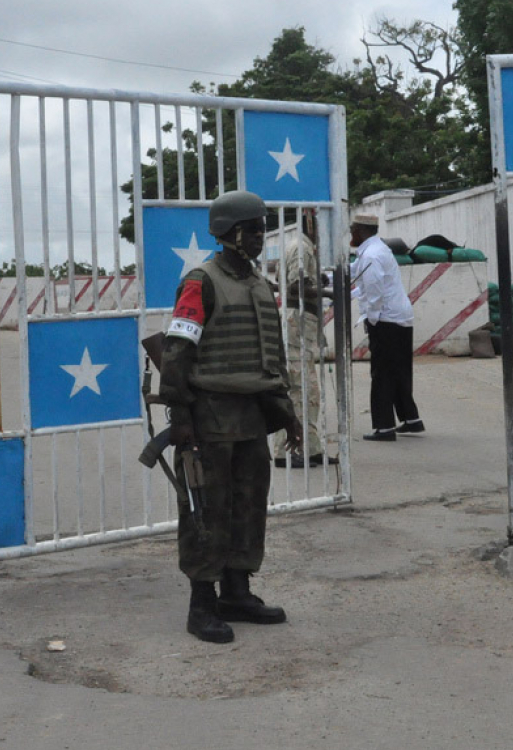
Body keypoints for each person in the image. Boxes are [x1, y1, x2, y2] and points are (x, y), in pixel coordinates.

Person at [159, 190, 302, 643]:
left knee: (248, 504)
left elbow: (270, 358)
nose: (261, 236)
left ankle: (236, 592)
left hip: (252, 415)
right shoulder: (200, 282)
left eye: (262, 228)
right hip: (210, 417)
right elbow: (178, 351)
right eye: (254, 229)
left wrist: (287, 412)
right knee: (206, 510)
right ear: (231, 233)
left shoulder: (260, 284)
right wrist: (180, 416)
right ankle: (202, 602)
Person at [349, 214, 422, 441]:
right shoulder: (377, 249)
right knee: (399, 370)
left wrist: (372, 319)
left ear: (360, 231)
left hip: (386, 319)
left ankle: (384, 427)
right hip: (399, 316)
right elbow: (356, 274)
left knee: (381, 373)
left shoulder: (371, 254)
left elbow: (374, 290)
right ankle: (411, 420)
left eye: (352, 229)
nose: (350, 234)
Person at [273, 208, 336, 468]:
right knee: (299, 388)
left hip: (301, 322)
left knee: (309, 389)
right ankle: (286, 451)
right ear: (311, 224)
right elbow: (296, 286)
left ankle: (311, 447)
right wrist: (328, 292)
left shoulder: (300, 246)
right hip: (297, 321)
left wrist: (317, 281)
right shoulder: (302, 248)